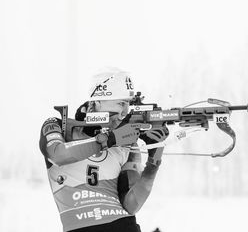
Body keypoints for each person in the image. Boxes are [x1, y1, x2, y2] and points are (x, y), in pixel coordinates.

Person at [39, 69, 168, 232]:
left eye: (128, 104)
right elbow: (58, 154)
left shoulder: (127, 143)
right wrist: (110, 139)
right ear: (97, 102)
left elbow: (131, 205)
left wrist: (154, 161)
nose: (124, 112)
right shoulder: (59, 126)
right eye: (121, 103)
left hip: (124, 226)